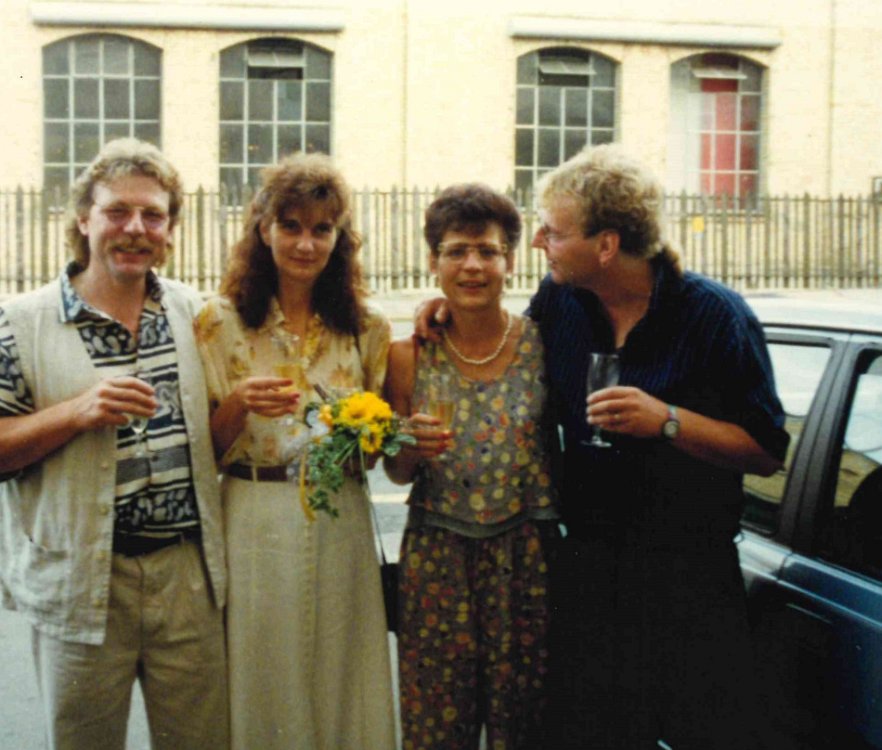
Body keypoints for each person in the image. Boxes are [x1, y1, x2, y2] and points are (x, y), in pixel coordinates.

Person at [416, 145, 789, 749]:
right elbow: (509, 349)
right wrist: (447, 309)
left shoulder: (715, 316)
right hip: (589, 569)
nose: (540, 241)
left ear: (607, 245)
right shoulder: (561, 299)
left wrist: (667, 420)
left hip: (688, 578)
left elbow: (767, 450)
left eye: (554, 231)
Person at [0, 138, 228, 750]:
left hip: (187, 578)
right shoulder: (20, 323)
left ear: (170, 229)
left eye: (153, 215)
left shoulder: (197, 314)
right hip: (81, 582)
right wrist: (75, 413)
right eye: (117, 211)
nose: (135, 229)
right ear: (83, 219)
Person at [193, 152, 396, 750]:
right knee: (262, 664)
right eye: (291, 225)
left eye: (321, 229)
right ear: (263, 229)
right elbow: (204, 452)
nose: (306, 244)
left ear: (339, 238)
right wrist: (239, 404)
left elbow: (374, 453)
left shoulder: (367, 326)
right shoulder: (219, 321)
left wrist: (368, 432)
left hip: (341, 512)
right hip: (255, 508)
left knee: (341, 661)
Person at [385, 184, 558, 749]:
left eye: (487, 251)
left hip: (524, 558)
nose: (473, 266)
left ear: (511, 260)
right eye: (456, 251)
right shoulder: (407, 354)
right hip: (437, 558)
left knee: (524, 724)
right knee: (437, 726)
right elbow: (396, 473)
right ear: (434, 261)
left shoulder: (543, 343)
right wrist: (410, 446)